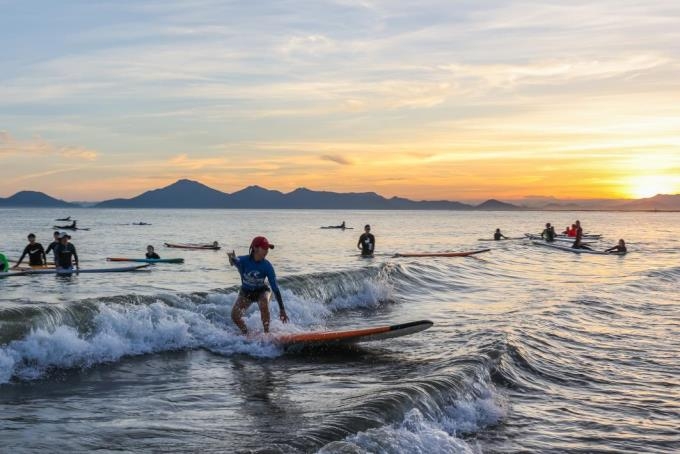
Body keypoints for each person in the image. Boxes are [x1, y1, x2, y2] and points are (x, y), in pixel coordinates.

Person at [227, 236, 288, 335]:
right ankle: (246, 333)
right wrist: (231, 258)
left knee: (264, 303)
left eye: (267, 248)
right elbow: (233, 260)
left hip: (262, 291)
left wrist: (282, 310)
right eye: (264, 248)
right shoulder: (243, 260)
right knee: (235, 316)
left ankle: (267, 334)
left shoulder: (267, 266)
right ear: (255, 248)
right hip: (246, 292)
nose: (266, 251)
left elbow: (275, 288)